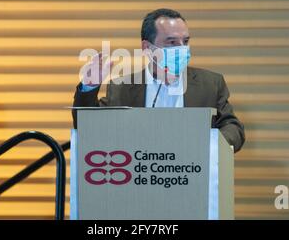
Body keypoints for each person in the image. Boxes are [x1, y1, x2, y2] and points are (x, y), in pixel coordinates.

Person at [72, 8, 245, 152]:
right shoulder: (123, 87)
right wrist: (89, 87)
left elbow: (232, 127)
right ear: (147, 48)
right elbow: (89, 128)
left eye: (185, 41)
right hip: (140, 180)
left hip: (194, 177)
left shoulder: (210, 84)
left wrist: (211, 145)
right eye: (171, 42)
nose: (182, 49)